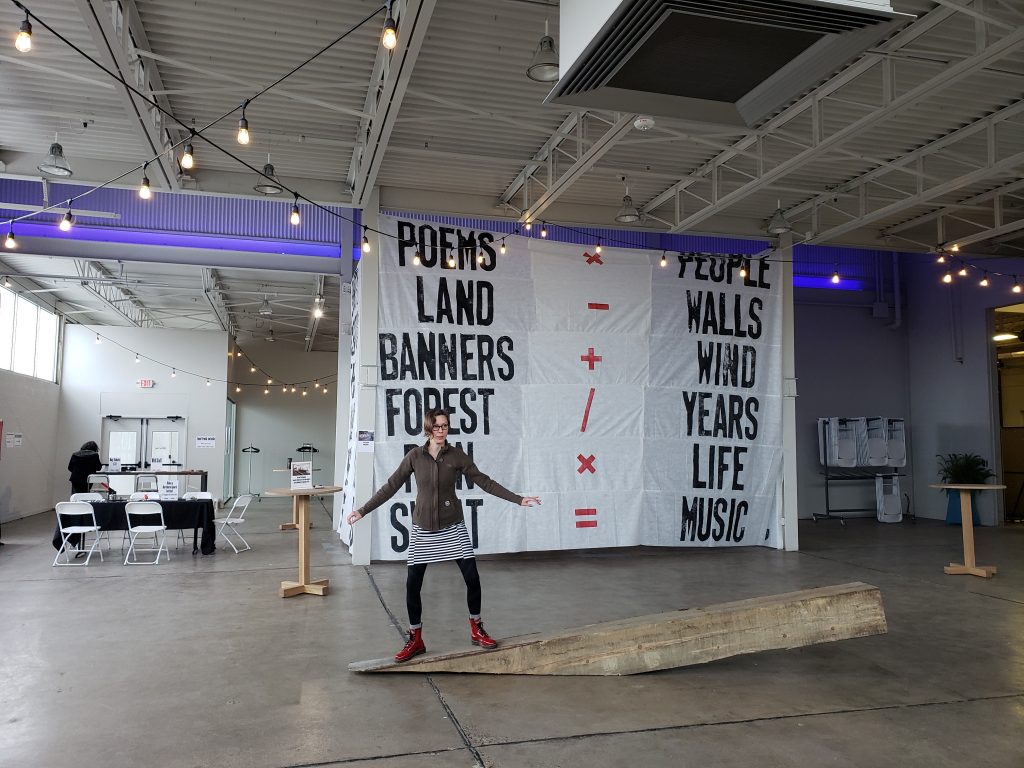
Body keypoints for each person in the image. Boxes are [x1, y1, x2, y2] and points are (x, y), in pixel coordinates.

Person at [347, 408, 540, 663]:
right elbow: (390, 486)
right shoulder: (415, 456)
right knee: (412, 584)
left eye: (445, 426)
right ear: (428, 429)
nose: (441, 431)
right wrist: (362, 510)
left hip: (453, 526)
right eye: (436, 427)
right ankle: (415, 638)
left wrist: (518, 499)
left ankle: (476, 627)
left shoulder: (457, 456)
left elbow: (485, 481)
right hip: (423, 529)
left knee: (472, 577)